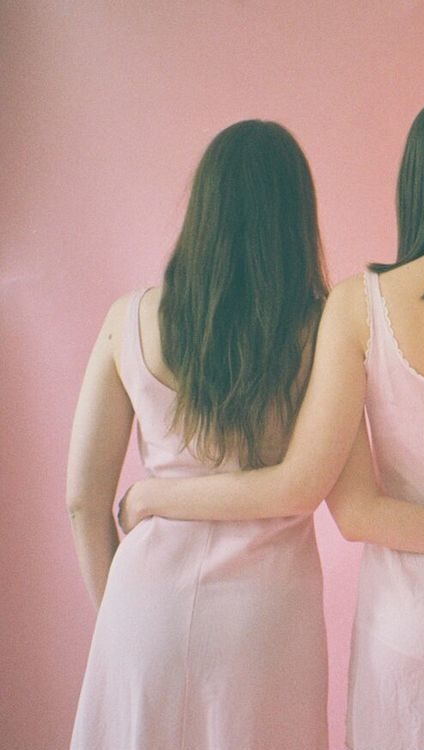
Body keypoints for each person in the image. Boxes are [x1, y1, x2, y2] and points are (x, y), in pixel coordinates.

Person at [121, 89, 424, 750]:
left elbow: (357, 512)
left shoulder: (355, 305)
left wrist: (152, 496)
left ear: (414, 186)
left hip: (402, 624)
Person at [67, 119, 331, 750]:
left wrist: (122, 618)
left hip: (145, 605)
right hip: (267, 621)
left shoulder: (129, 320)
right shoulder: (320, 332)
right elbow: (305, 485)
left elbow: (82, 501)